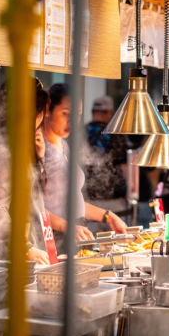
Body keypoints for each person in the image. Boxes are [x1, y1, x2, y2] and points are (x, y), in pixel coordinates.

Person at [0, 81, 51, 264]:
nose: (43, 116)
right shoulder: (5, 152)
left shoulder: (18, 146)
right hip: (6, 253)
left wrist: (39, 159)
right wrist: (24, 246)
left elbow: (33, 197)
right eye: (41, 110)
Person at [44, 83, 126, 253]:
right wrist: (67, 226)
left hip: (76, 234)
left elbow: (72, 201)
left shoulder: (63, 146)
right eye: (66, 114)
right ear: (47, 110)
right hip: (53, 238)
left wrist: (107, 216)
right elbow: (32, 208)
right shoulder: (39, 149)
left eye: (78, 114)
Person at [83, 96, 131, 234]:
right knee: (118, 246)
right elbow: (124, 167)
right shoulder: (116, 134)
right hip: (115, 203)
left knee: (89, 250)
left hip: (88, 203)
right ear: (109, 112)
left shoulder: (80, 133)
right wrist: (128, 193)